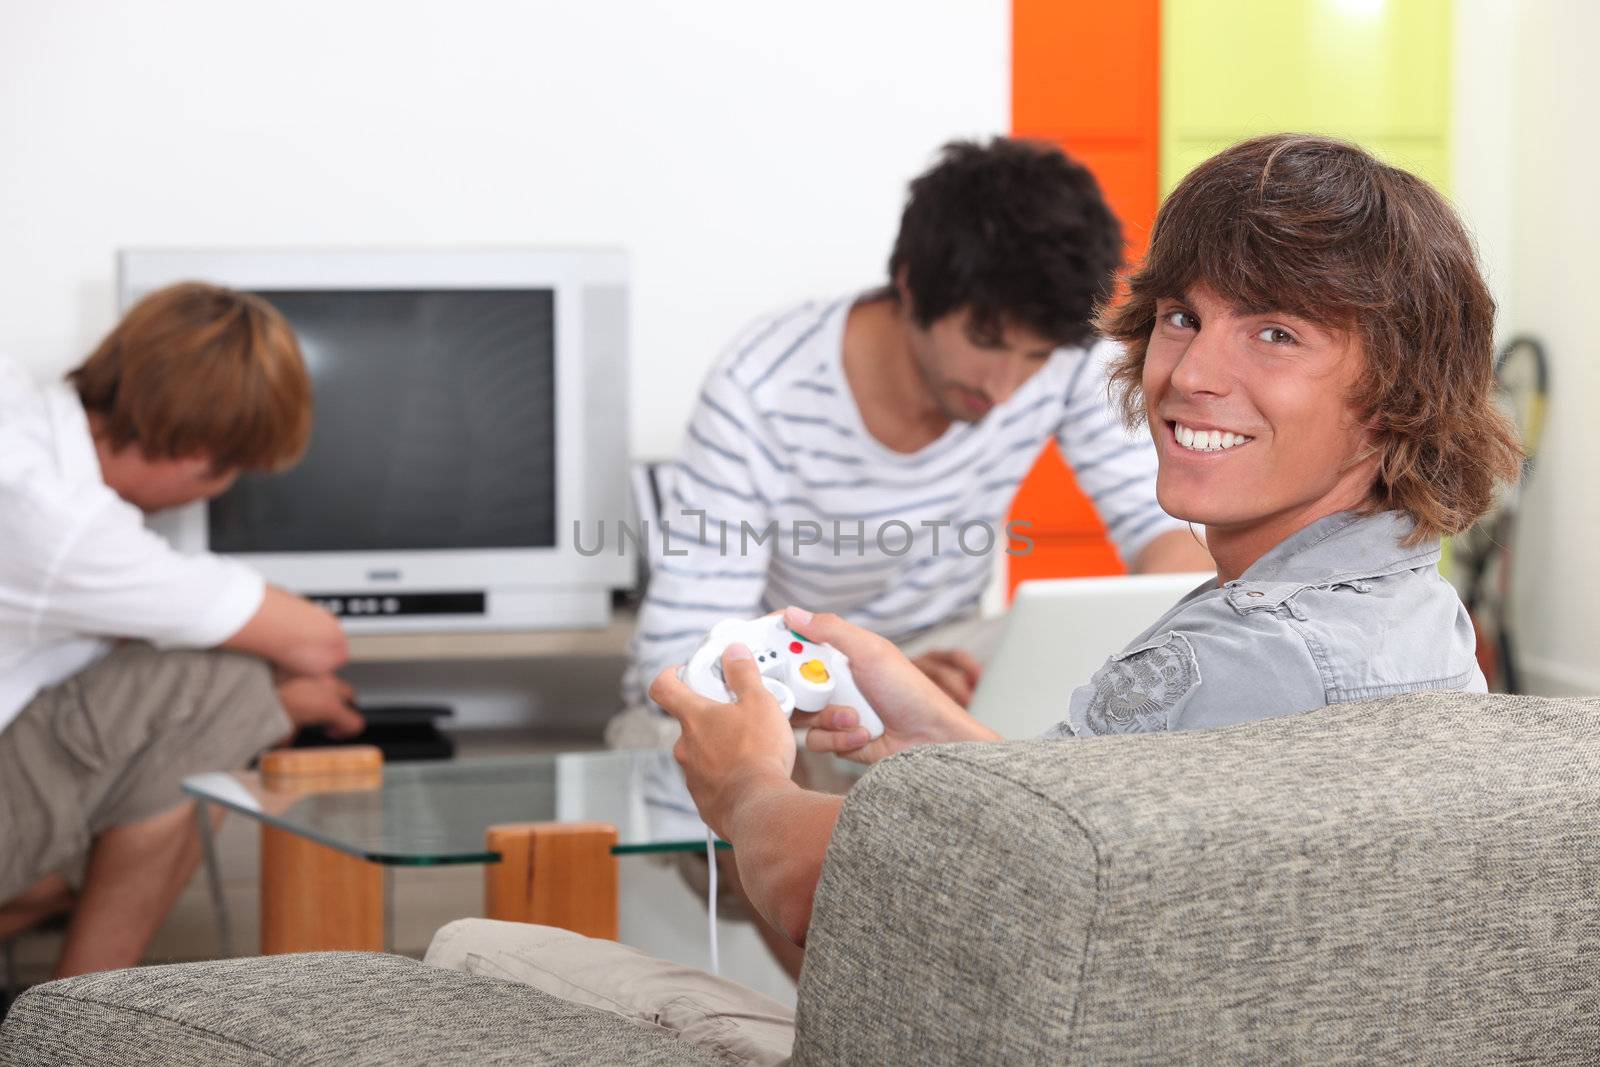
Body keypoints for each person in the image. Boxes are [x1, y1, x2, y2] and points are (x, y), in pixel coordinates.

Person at [426, 134, 1522, 1066]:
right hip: (797, 653)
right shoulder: (1428, 619)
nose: (1187, 375)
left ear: (1396, 395)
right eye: (1181, 318)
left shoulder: (1219, 659)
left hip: (995, 997)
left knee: (473, 951)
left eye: (1276, 333)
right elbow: (1083, 832)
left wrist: (752, 790)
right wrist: (952, 745)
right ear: (912, 287)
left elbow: (883, 886)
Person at [615, 137, 1211, 733]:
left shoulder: (1066, 351)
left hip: (947, 656)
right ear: (910, 283)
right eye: (985, 342)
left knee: (1095, 655)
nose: (1006, 387)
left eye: (1034, 357)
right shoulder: (761, 387)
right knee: (668, 726)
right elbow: (676, 655)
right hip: (792, 666)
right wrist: (869, 682)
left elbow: (1166, 534)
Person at [0, 282, 364, 978]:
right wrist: (278, 701)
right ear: (200, 454)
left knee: (126, 819)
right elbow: (320, 641)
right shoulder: (67, 528)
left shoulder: (15, 408)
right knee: (225, 689)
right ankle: (86, 1034)